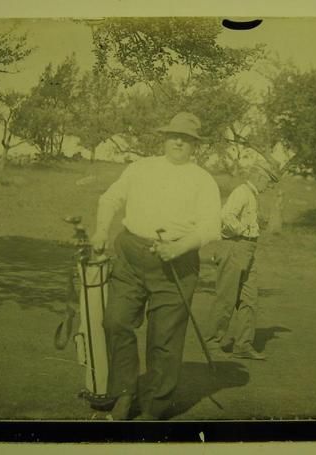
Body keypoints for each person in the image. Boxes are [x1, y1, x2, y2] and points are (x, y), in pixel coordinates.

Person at [90, 112, 221, 420]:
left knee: (164, 339)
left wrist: (178, 247)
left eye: (186, 139)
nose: (178, 142)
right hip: (131, 257)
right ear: (164, 138)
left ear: (195, 146)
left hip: (177, 264)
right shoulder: (141, 168)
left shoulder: (203, 180)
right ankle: (124, 394)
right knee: (116, 322)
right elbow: (110, 199)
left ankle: (154, 408)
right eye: (174, 136)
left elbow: (212, 227)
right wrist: (100, 231)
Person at [205, 163, 279, 361]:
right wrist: (241, 230)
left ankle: (243, 344)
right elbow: (226, 215)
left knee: (250, 298)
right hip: (234, 247)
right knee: (226, 298)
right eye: (268, 183)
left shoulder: (253, 196)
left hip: (248, 249)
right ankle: (212, 344)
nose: (268, 187)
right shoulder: (241, 192)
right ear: (260, 177)